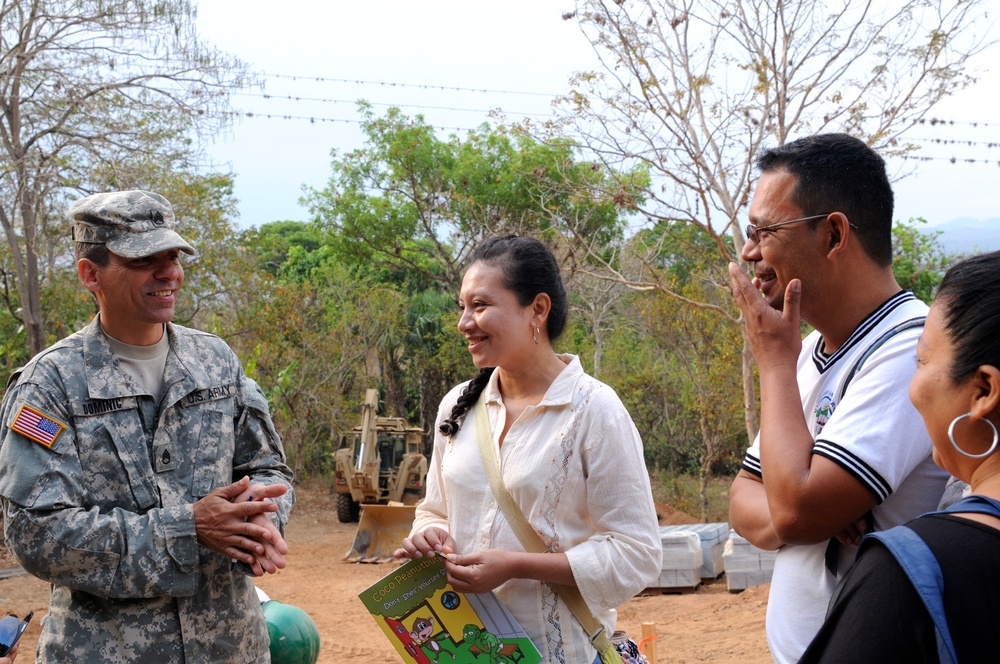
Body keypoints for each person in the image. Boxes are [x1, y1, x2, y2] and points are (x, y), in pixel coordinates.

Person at [0, 190, 295, 662]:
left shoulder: (215, 361)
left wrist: (260, 520)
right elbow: (38, 534)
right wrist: (188, 530)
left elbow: (269, 469)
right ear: (89, 274)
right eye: (144, 259)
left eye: (173, 256)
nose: (169, 272)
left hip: (230, 647)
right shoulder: (50, 384)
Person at [727, 133, 949, 663]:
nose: (748, 251)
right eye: (748, 230)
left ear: (832, 234)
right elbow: (742, 500)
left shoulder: (908, 349)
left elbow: (798, 511)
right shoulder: (807, 352)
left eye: (765, 231)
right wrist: (797, 506)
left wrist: (773, 364)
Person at [394, 235, 662, 664]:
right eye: (461, 307)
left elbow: (637, 553)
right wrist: (429, 535)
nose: (464, 322)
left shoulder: (595, 410)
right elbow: (435, 509)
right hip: (469, 651)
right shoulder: (457, 405)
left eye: (480, 306)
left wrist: (517, 565)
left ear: (537, 309)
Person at [801, 250, 1000, 662]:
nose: (911, 386)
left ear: (983, 390)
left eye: (921, 360)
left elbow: (792, 511)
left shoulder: (910, 575)